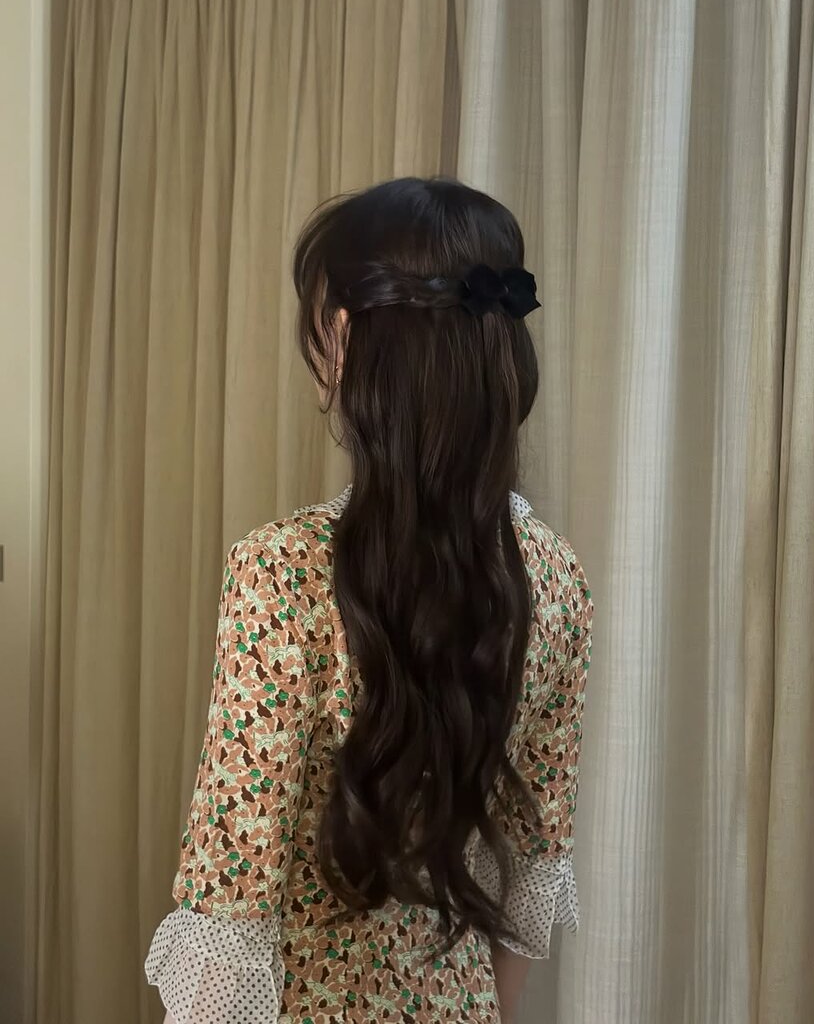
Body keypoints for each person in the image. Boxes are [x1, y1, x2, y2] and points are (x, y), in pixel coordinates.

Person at [145, 177, 593, 1024]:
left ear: (345, 335)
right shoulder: (556, 578)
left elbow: (228, 913)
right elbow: (530, 879)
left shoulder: (281, 572)